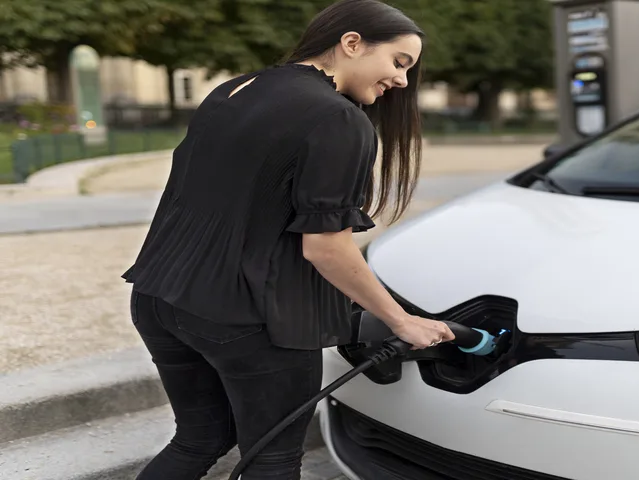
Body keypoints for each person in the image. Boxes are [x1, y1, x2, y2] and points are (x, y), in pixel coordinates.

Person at [121, 1, 455, 478]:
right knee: (272, 459)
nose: (402, 81)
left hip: (158, 298)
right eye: (399, 63)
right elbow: (325, 247)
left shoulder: (234, 89)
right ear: (352, 43)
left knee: (199, 439)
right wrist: (402, 321)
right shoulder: (339, 119)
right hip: (250, 321)